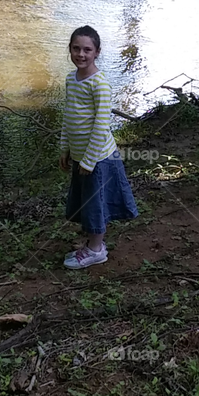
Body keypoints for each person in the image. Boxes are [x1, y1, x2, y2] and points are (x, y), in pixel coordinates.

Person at [59, 25, 139, 269]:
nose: (81, 54)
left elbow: (101, 126)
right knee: (87, 201)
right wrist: (64, 149)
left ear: (97, 52)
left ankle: (96, 250)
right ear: (70, 50)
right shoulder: (71, 79)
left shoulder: (100, 85)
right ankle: (92, 242)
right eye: (76, 48)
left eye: (87, 50)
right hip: (81, 156)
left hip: (98, 159)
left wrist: (89, 161)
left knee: (97, 203)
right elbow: (69, 117)